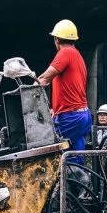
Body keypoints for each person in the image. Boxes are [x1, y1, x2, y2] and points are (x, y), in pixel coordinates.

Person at [38, 19, 91, 164]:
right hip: (82, 116)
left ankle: (60, 185)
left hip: (70, 117)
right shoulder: (77, 55)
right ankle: (79, 184)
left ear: (56, 40)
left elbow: (44, 79)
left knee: (49, 154)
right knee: (74, 157)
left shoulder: (65, 52)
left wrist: (27, 90)